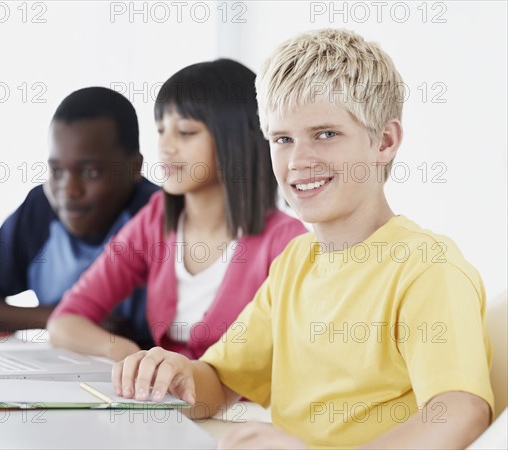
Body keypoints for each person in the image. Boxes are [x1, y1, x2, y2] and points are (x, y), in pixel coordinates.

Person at [112, 29, 494, 449]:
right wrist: (177, 372)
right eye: (283, 139)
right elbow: (219, 382)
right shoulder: (296, 261)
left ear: (384, 141)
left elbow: (460, 410)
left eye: (326, 134)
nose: (298, 161)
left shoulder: (427, 267)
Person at [47, 59, 307, 362]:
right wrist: (127, 353)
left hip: (244, 410)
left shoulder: (287, 243)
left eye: (185, 132)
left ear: (235, 140)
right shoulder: (156, 220)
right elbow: (65, 321)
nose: (165, 147)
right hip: (165, 404)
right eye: (160, 130)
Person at [0, 87, 159, 349]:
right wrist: (64, 317)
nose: (69, 191)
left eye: (90, 172)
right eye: (57, 171)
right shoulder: (41, 210)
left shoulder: (160, 218)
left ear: (133, 168)